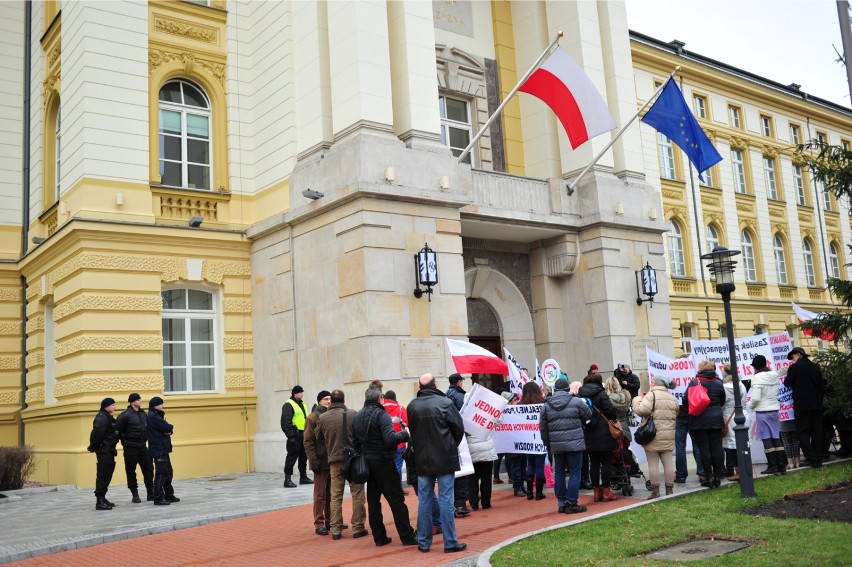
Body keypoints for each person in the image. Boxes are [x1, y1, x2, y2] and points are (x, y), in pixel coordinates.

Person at [406, 373, 467, 554]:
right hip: (444, 457)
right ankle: (450, 542)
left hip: (423, 458)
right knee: (446, 499)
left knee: (424, 500)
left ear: (420, 387)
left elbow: (414, 432)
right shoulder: (445, 403)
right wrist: (449, 446)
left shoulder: (413, 406)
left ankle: (424, 542)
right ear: (435, 385)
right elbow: (459, 429)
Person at [353, 387, 417, 547]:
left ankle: (379, 537)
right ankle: (407, 536)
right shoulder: (382, 414)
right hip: (384, 462)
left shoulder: (358, 415)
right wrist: (406, 434)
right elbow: (389, 439)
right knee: (396, 500)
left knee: (374, 502)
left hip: (368, 463)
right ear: (380, 398)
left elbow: (355, 443)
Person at [315, 389, 368, 540]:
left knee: (335, 496)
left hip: (334, 461)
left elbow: (318, 436)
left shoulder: (323, 417)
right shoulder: (353, 414)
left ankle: (336, 529)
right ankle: (358, 527)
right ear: (344, 401)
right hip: (352, 460)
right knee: (357, 494)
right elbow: (361, 434)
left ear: (331, 401)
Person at [540, 377, 592, 514]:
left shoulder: (546, 405)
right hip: (575, 443)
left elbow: (543, 429)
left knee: (559, 473)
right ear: (567, 389)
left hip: (556, 445)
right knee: (575, 473)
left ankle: (561, 503)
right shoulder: (576, 401)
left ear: (555, 389)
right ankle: (571, 503)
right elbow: (589, 415)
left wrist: (548, 445)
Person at [632, 375, 679, 498]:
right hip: (668, 434)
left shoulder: (651, 395)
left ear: (654, 383)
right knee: (668, 464)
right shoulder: (672, 398)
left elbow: (642, 410)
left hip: (652, 435)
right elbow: (676, 413)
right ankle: (669, 491)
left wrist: (637, 400)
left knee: (653, 465)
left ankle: (655, 492)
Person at [578, 372, 619, 502]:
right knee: (606, 463)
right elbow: (611, 412)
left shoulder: (580, 396)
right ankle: (606, 491)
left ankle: (596, 492)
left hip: (588, 433)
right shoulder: (601, 394)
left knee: (594, 463)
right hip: (603, 434)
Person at [687, 360, 726, 488]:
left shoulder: (694, 383)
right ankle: (718, 476)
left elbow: (685, 400)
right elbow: (722, 400)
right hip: (716, 418)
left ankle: (708, 477)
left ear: (699, 370)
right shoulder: (719, 383)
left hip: (699, 419)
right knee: (717, 448)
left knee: (704, 449)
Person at [785, 347, 825, 468]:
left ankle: (811, 457)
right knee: (817, 431)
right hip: (816, 404)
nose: (793, 360)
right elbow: (821, 385)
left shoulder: (794, 367)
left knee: (802, 432)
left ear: (798, 354)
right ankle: (818, 457)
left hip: (802, 405)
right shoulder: (815, 367)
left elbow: (787, 383)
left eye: (793, 357)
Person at [748, 355, 785, 475]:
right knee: (776, 437)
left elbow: (756, 398)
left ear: (756, 367)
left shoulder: (756, 378)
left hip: (762, 411)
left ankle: (772, 465)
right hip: (774, 410)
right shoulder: (774, 375)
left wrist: (751, 406)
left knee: (766, 438)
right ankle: (781, 465)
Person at [115, 393, 154, 503]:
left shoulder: (143, 413)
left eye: (140, 398)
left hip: (143, 446)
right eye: (138, 399)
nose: (140, 401)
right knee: (131, 471)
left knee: (149, 469)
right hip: (131, 447)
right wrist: (125, 442)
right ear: (132, 402)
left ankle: (150, 493)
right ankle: (135, 494)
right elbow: (118, 430)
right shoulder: (125, 415)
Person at [303, 390, 332, 535]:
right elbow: (308, 441)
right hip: (320, 462)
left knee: (330, 494)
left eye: (330, 399)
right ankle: (318, 523)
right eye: (326, 399)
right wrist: (313, 461)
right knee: (320, 494)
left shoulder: (330, 416)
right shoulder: (313, 418)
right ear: (320, 401)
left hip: (331, 460)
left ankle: (330, 521)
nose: (328, 401)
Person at [465, 391, 498, 510]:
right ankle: (486, 502)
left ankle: (473, 502)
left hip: (471, 450)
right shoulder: (486, 413)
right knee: (486, 478)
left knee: (472, 478)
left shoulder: (463, 414)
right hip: (486, 449)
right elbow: (499, 421)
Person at [445, 373, 470, 517]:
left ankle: (456, 502)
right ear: (459, 382)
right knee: (462, 470)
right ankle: (460, 504)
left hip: (448, 439)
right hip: (458, 438)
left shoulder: (445, 395)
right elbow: (464, 415)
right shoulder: (459, 396)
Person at [87, 397, 119, 510]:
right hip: (104, 450)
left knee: (107, 474)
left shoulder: (107, 417)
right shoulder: (102, 417)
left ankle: (103, 497)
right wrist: (94, 447)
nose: (114, 407)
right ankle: (99, 501)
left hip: (108, 450)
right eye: (113, 405)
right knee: (103, 475)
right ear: (106, 406)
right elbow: (97, 433)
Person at [146, 396, 179, 505]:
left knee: (168, 472)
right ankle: (158, 497)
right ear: (155, 405)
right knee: (161, 473)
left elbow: (167, 430)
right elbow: (167, 427)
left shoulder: (156, 415)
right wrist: (169, 428)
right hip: (158, 449)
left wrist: (168, 430)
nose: (163, 406)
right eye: (161, 404)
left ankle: (169, 494)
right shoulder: (153, 416)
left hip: (163, 448)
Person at [281, 385, 312, 488]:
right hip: (295, 435)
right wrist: (290, 436)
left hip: (304, 434)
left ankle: (303, 477)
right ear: (295, 393)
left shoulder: (302, 403)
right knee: (291, 457)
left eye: (302, 392)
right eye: (300, 392)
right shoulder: (288, 405)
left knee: (304, 457)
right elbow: (285, 422)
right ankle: (287, 479)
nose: (302, 394)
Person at [520, 382, 547, 501]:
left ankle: (530, 491)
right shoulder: (543, 403)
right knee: (539, 465)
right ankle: (539, 493)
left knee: (530, 464)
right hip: (540, 438)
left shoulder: (520, 405)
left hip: (527, 439)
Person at [721, 364, 749, 481]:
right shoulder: (741, 384)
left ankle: (738, 472)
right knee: (742, 443)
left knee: (732, 446)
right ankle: (744, 468)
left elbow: (722, 404)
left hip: (729, 417)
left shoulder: (725, 387)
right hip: (742, 415)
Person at [382, 390, 409, 493]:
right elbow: (407, 424)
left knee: (386, 466)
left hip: (384, 442)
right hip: (399, 443)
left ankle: (388, 487)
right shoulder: (400, 408)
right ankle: (397, 487)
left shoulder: (381, 409)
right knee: (398, 465)